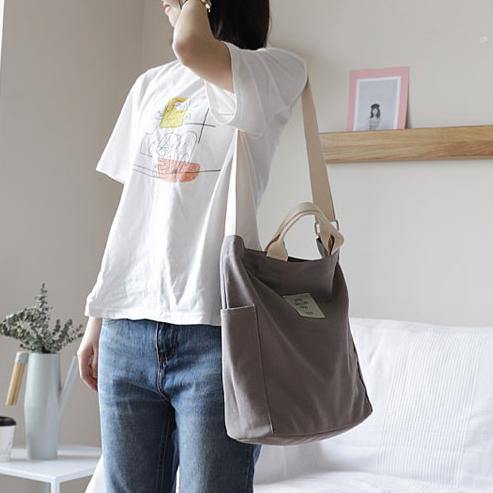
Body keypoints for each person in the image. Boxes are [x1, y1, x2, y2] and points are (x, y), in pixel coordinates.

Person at [77, 0, 308, 491]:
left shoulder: (274, 70)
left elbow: (190, 45)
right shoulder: (150, 85)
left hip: (216, 335)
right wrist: (98, 316)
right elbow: (134, 211)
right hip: (127, 327)